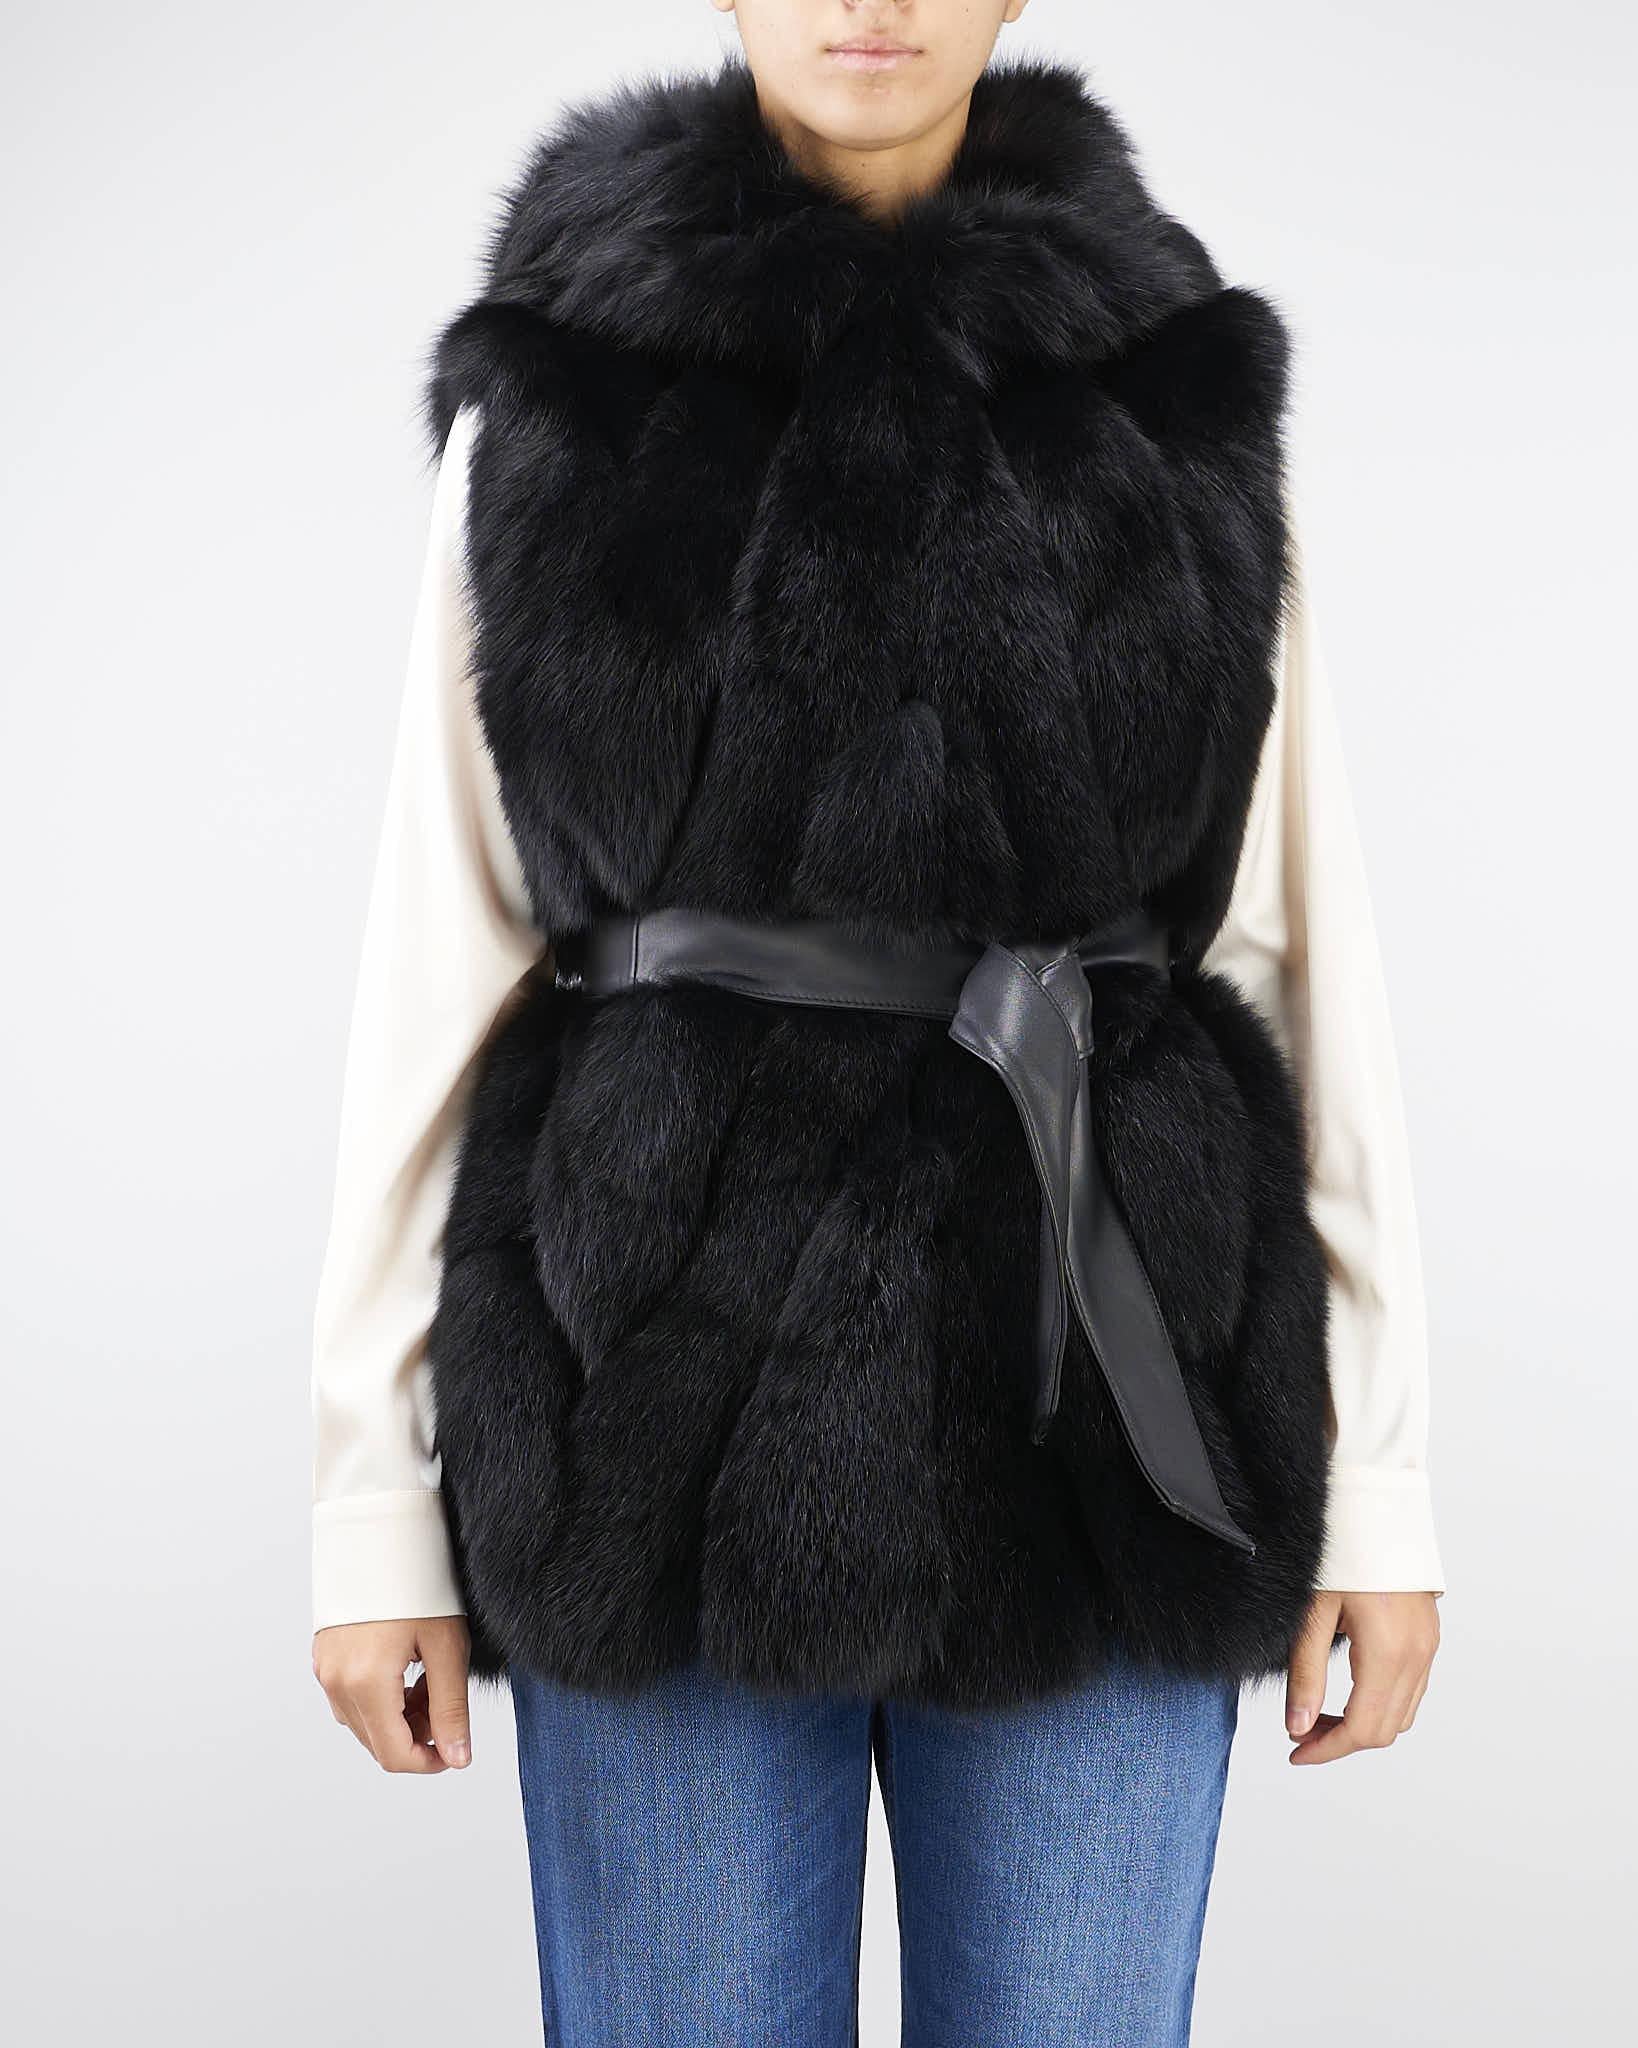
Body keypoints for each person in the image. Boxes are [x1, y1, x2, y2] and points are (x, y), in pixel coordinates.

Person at [311, 3, 1445, 2040]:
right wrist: (369, 1502)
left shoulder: (1170, 387)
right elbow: (439, 953)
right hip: (645, 1404)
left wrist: (1382, 1480)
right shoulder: (566, 389)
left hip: (1105, 1388)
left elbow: (1293, 938)